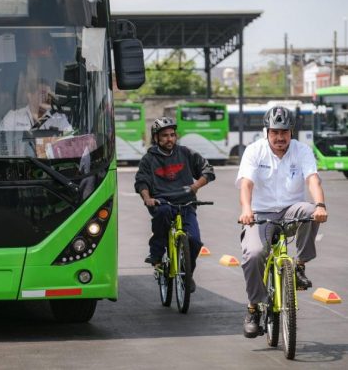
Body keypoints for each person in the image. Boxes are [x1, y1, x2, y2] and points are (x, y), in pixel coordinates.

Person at [236, 106, 328, 338]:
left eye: (284, 132)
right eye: (275, 132)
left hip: (290, 210)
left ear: (291, 132)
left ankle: (299, 265)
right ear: (266, 131)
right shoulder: (254, 151)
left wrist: (320, 205)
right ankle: (254, 308)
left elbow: (313, 179)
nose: (280, 137)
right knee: (255, 253)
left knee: (309, 210)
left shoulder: (302, 151)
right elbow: (247, 183)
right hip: (260, 214)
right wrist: (246, 210)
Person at [134, 117, 215, 293]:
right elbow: (141, 182)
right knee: (162, 212)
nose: (169, 139)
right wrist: (147, 198)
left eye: (172, 135)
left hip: (186, 203)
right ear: (156, 138)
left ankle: (188, 275)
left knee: (194, 241)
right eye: (164, 136)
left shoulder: (185, 153)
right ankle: (156, 254)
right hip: (162, 202)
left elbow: (208, 170)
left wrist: (195, 186)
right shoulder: (149, 159)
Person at [0, 78, 72, 132]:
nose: (47, 97)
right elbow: (0, 141)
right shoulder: (13, 117)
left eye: (49, 94)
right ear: (29, 95)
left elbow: (71, 142)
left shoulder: (59, 118)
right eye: (42, 93)